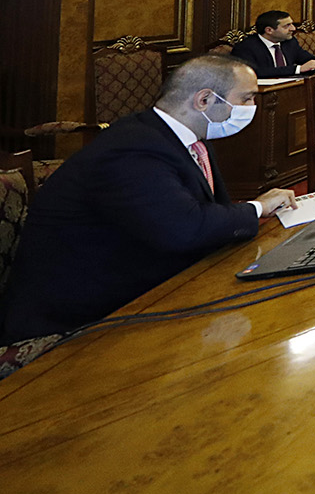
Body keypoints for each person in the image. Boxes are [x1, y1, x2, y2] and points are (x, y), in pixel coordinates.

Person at [0, 56, 295, 343]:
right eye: (246, 98)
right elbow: (185, 228)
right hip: (78, 320)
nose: (252, 107)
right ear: (204, 100)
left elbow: (208, 214)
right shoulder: (131, 149)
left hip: (147, 286)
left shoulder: (183, 138)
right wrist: (257, 207)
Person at [230, 9, 315, 77]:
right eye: (287, 26)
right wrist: (298, 69)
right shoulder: (246, 47)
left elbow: (306, 58)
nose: (293, 29)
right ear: (269, 30)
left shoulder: (289, 42)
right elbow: (254, 72)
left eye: (292, 24)